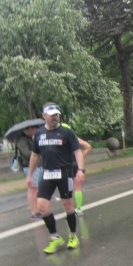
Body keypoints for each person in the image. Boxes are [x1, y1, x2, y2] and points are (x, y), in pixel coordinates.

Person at [27, 102, 85, 254]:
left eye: (57, 115)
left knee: (68, 204)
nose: (55, 117)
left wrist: (80, 169)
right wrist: (30, 175)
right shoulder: (39, 133)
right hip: (47, 173)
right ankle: (54, 237)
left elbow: (77, 151)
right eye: (52, 115)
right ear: (44, 116)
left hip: (64, 172)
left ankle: (73, 236)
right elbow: (35, 155)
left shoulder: (67, 132)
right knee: (41, 206)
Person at [61, 122, 92, 216]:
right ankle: (79, 209)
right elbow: (88, 147)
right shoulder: (74, 138)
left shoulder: (57, 139)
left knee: (66, 190)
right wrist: (81, 157)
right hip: (76, 165)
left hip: (65, 166)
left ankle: (69, 211)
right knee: (77, 188)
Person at [16, 124, 42, 220]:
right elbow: (26, 153)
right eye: (35, 129)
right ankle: (34, 212)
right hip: (29, 166)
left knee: (36, 188)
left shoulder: (30, 138)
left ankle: (38, 210)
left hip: (37, 166)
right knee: (32, 189)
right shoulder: (22, 140)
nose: (35, 131)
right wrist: (37, 151)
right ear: (29, 128)